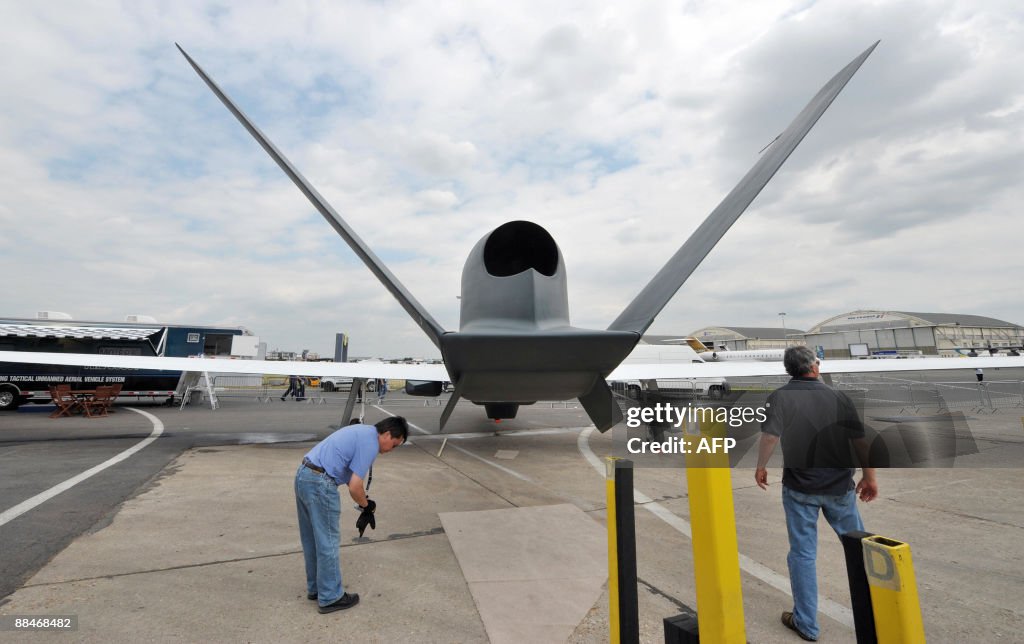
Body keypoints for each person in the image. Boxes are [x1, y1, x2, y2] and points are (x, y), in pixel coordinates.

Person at [755, 345, 877, 642]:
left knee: (802, 555)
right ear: (815, 366)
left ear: (788, 369)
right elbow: (860, 441)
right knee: (860, 551)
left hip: (800, 489)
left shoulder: (780, 397)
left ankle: (807, 624)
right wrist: (869, 476)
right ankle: (880, 614)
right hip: (840, 488)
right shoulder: (838, 396)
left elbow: (771, 436)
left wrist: (761, 466)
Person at [294, 416, 408, 613]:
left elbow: (349, 477)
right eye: (394, 445)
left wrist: (365, 502)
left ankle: (316, 589)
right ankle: (330, 597)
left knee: (312, 539)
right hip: (320, 483)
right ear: (387, 434)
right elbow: (355, 487)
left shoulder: (361, 432)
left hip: (304, 475)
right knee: (328, 542)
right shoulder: (371, 442)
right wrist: (366, 506)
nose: (391, 450)